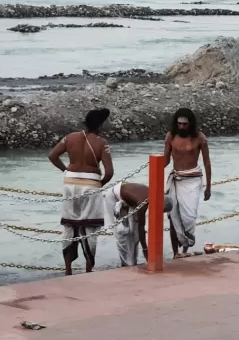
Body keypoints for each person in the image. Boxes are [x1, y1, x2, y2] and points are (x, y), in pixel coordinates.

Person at [48, 108, 113, 275]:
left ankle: (68, 269)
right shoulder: (101, 142)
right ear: (100, 125)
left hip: (70, 183)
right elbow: (109, 172)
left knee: (69, 225)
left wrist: (66, 171)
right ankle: (88, 269)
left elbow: (52, 156)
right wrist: (98, 185)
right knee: (90, 227)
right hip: (91, 184)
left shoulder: (70, 138)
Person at [163, 108, 212, 257]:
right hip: (176, 179)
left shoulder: (199, 138)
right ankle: (176, 252)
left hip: (193, 180)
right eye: (179, 124)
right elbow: (165, 161)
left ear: (190, 124)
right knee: (173, 216)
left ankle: (185, 250)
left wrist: (208, 187)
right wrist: (153, 168)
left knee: (189, 217)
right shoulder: (170, 136)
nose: (182, 127)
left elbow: (207, 162)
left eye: (185, 124)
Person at [102, 182, 173, 267]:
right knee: (122, 232)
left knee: (134, 233)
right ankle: (125, 263)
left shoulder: (158, 195)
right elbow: (141, 227)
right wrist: (145, 250)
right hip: (114, 196)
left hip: (130, 199)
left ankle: (132, 261)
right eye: (161, 210)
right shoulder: (142, 203)